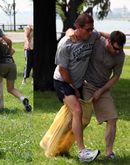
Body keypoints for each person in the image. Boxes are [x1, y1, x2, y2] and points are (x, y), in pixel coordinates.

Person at [53, 13, 100, 163]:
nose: (91, 32)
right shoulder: (65, 43)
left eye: (92, 29)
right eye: (87, 29)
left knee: (76, 117)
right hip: (63, 82)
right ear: (78, 28)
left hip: (77, 82)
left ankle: (55, 144)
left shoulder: (91, 36)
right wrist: (74, 87)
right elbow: (62, 70)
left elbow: (104, 35)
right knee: (77, 111)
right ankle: (82, 152)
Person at [83, 31, 126, 160]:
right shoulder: (96, 42)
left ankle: (109, 153)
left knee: (112, 118)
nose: (118, 52)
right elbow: (86, 30)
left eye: (120, 49)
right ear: (108, 41)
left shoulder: (120, 55)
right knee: (83, 120)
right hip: (86, 85)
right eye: (116, 48)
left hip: (102, 88)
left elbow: (116, 76)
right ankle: (72, 147)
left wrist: (100, 91)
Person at [0, 38, 32, 112]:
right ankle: (23, 98)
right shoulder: (4, 45)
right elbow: (13, 51)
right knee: (11, 89)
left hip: (1, 66)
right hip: (12, 64)